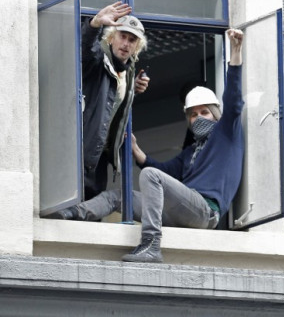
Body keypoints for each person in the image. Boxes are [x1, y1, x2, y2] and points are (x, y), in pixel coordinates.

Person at [47, 28, 245, 264]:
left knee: (152, 176)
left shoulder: (227, 133)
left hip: (205, 212)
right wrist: (137, 151)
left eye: (204, 112)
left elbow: (233, 98)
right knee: (117, 197)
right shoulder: (192, 152)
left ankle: (151, 243)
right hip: (181, 211)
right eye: (192, 115)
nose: (198, 118)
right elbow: (167, 170)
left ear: (215, 114)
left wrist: (235, 50)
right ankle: (71, 214)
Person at [81, 1, 149, 200]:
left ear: (137, 46)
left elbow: (109, 102)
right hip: (83, 153)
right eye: (122, 36)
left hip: (100, 157)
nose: (126, 43)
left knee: (92, 215)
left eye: (132, 40)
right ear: (111, 38)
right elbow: (86, 51)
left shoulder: (127, 74)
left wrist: (132, 90)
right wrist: (94, 24)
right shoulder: (99, 61)